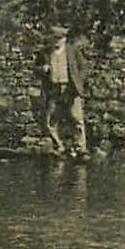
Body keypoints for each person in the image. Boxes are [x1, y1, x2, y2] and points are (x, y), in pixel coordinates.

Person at [38, 26, 88, 156]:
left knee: (76, 118)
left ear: (64, 39)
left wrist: (79, 82)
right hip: (53, 88)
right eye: (54, 38)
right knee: (51, 119)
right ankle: (59, 146)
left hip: (70, 87)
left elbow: (83, 67)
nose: (56, 41)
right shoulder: (45, 53)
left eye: (59, 38)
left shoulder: (72, 50)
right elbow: (36, 69)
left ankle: (80, 148)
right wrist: (42, 70)